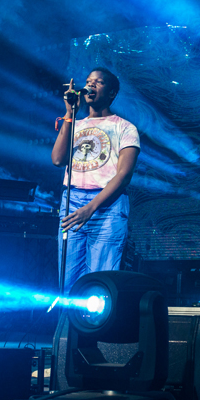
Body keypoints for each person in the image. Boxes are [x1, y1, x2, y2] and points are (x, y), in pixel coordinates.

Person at [52, 67, 140, 292]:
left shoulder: (125, 127)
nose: (91, 84)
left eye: (99, 82)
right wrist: (70, 113)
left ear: (112, 93)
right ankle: (69, 316)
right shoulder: (75, 124)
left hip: (107, 205)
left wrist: (90, 208)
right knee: (68, 281)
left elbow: (124, 175)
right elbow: (58, 159)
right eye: (89, 81)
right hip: (72, 203)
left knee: (100, 281)